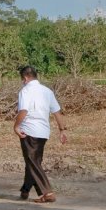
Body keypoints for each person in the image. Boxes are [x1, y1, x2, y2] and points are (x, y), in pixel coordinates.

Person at [13, 65, 67, 203]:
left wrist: (16, 126)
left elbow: (23, 111)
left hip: (29, 130)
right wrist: (62, 130)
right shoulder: (47, 91)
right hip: (43, 132)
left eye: (22, 79)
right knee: (32, 162)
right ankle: (25, 191)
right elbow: (57, 112)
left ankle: (47, 192)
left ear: (25, 78)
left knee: (33, 162)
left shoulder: (25, 91)